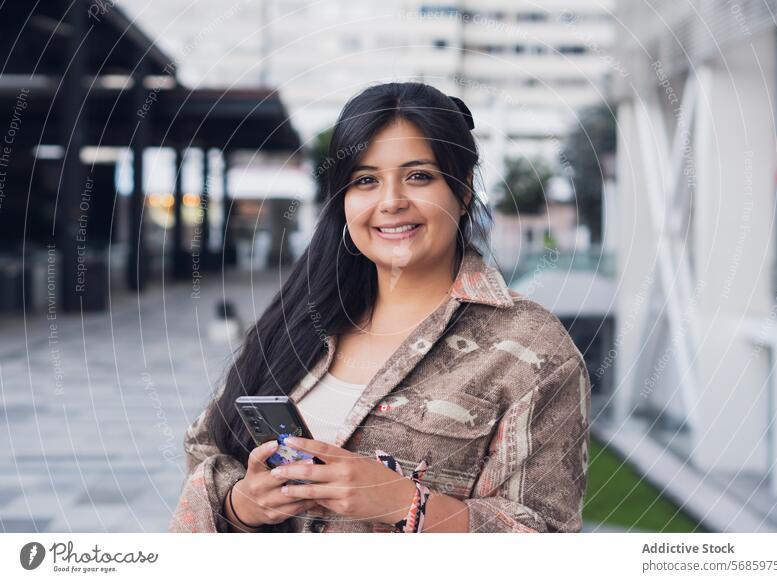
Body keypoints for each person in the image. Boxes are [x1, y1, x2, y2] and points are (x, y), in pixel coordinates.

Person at [168, 81, 591, 533]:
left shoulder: (534, 350)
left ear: (464, 189)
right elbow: (205, 450)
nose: (390, 202)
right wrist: (241, 505)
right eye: (365, 180)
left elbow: (544, 537)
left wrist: (403, 502)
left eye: (418, 176)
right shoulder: (300, 319)